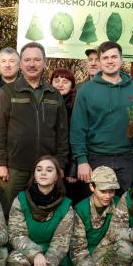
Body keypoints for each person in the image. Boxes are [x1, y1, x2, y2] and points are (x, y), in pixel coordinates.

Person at [0, 42, 69, 217]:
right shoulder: (8, 92)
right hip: (14, 168)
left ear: (44, 63)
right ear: (21, 64)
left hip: (46, 168)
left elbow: (62, 133)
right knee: (9, 211)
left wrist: (61, 163)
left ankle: (37, 243)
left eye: (36, 60)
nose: (32, 64)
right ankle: (8, 244)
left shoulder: (54, 95)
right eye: (27, 60)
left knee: (42, 212)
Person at [70, 41, 133, 197]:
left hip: (125, 158)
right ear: (99, 61)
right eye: (105, 58)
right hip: (95, 158)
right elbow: (78, 129)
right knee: (97, 206)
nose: (110, 61)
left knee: (122, 206)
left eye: (114, 57)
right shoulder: (86, 91)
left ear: (121, 59)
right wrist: (82, 161)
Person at [7, 155, 73, 266]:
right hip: (25, 253)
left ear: (57, 177)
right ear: (34, 175)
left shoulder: (66, 206)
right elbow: (15, 234)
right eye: (39, 169)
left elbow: (60, 245)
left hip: (49, 256)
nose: (43, 173)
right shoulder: (21, 199)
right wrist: (35, 254)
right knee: (16, 260)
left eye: (49, 170)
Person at [69, 166, 133, 266]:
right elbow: (77, 249)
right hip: (82, 261)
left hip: (105, 255)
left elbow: (117, 235)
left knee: (126, 248)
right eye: (103, 191)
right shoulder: (80, 210)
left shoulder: (118, 204)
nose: (108, 196)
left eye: (111, 191)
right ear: (92, 187)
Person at [50, 67, 83, 205]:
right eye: (56, 80)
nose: (60, 84)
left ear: (72, 85)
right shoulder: (46, 103)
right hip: (49, 161)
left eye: (65, 81)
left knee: (69, 201)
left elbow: (79, 136)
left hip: (70, 165)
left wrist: (73, 168)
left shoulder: (77, 106)